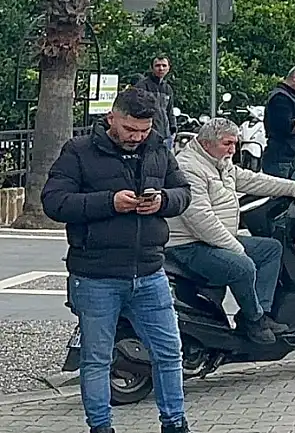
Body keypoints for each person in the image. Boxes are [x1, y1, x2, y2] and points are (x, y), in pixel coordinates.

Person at [42, 88, 192, 433]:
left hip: (150, 271)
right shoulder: (78, 151)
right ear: (112, 118)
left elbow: (183, 192)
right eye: (129, 130)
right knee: (97, 359)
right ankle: (100, 426)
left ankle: (175, 423)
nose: (136, 138)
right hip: (96, 274)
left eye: (143, 130)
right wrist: (109, 202)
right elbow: (54, 202)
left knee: (169, 353)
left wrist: (163, 201)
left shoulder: (157, 148)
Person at [165, 118, 295, 344]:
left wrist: (294, 188)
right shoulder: (189, 168)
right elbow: (200, 219)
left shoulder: (219, 163)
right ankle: (253, 320)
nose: (233, 150)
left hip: (214, 241)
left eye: (235, 144)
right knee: (243, 266)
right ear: (207, 143)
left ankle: (261, 313)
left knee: (270, 250)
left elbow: (250, 179)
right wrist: (236, 248)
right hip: (189, 245)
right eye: (227, 144)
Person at [133, 56, 177, 150]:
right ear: (152, 68)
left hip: (166, 136)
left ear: (168, 68)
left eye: (164, 65)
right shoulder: (142, 86)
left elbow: (170, 111)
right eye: (157, 65)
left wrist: (173, 129)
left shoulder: (168, 88)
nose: (161, 68)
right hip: (147, 136)